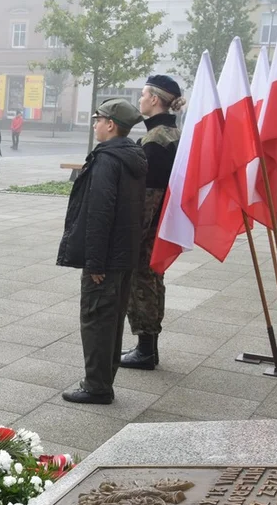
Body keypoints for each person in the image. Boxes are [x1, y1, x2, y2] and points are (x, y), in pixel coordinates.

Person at [56, 98, 147, 405]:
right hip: (123, 255)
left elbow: (100, 213)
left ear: (110, 125)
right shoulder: (132, 156)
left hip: (106, 257)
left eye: (98, 119)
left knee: (96, 319)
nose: (94, 123)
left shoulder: (107, 160)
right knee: (112, 319)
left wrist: (95, 261)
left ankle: (96, 386)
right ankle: (104, 379)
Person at [121, 76, 186, 371]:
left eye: (143, 94)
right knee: (152, 278)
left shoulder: (156, 142)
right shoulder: (171, 133)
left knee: (142, 278)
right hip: (161, 224)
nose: (140, 98)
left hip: (148, 226)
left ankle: (145, 349)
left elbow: (149, 195)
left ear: (156, 99)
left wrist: (131, 237)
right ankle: (148, 347)